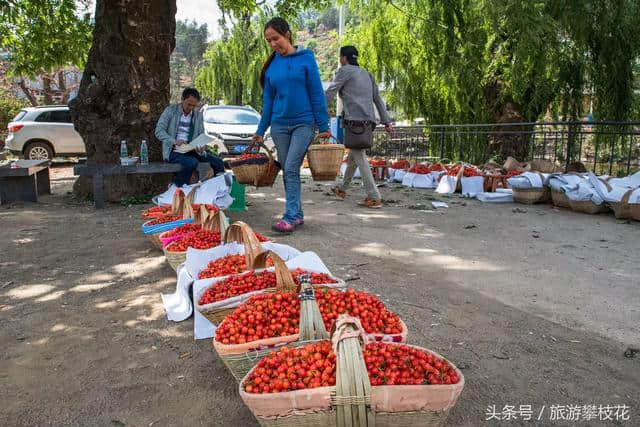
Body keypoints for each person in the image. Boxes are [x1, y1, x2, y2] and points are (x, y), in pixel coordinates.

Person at [252, 17, 331, 233]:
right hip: (279, 126)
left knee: (291, 168)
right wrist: (260, 131)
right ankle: (296, 213)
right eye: (268, 41)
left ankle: (290, 215)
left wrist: (324, 125)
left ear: (287, 34)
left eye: (275, 38)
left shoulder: (306, 58)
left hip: (304, 124)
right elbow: (267, 103)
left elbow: (316, 93)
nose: (272, 44)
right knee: (289, 170)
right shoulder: (271, 67)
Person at [325, 46, 393, 209]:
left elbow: (331, 92)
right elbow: (377, 99)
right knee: (355, 155)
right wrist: (386, 121)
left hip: (354, 122)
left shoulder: (344, 71)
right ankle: (342, 189)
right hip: (369, 122)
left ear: (343, 58)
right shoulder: (367, 74)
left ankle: (374, 196)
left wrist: (316, 110)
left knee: (359, 156)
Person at [155, 87, 225, 187]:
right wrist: (174, 141)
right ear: (182, 100)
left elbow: (201, 135)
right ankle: (176, 188)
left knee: (218, 163)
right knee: (191, 163)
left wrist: (201, 147)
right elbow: (158, 131)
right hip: (173, 150)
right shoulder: (170, 111)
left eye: (194, 105)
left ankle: (218, 190)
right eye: (189, 104)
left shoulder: (198, 115)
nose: (191, 108)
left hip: (192, 150)